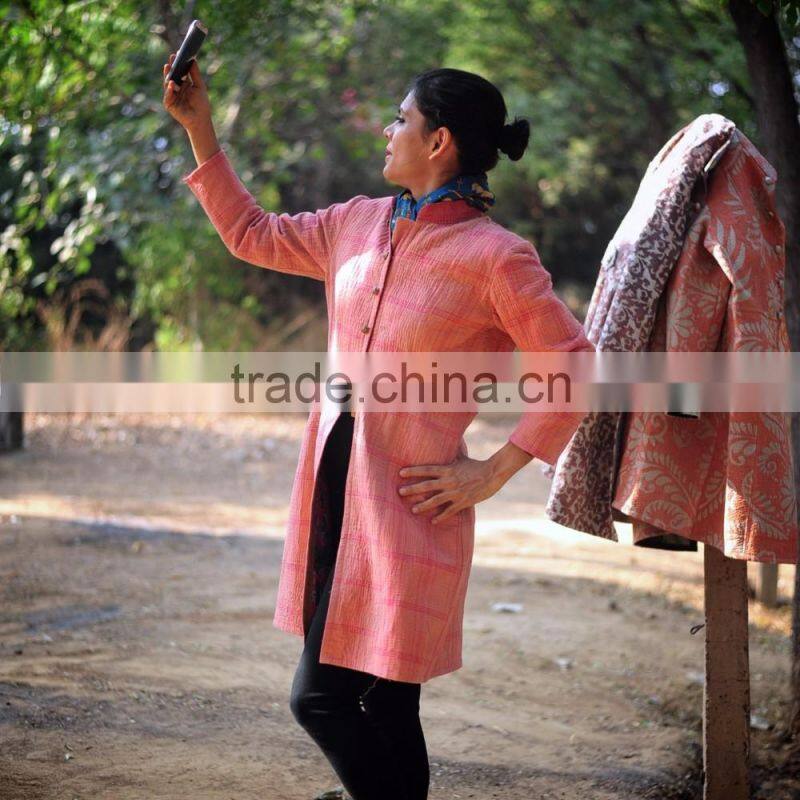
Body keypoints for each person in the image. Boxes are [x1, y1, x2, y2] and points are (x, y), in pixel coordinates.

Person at [163, 54, 594, 800]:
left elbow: (574, 365)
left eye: (401, 118)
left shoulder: (497, 258)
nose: (387, 131)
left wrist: (493, 472)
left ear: (439, 141)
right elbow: (252, 233)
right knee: (388, 704)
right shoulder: (356, 223)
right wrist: (200, 126)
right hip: (335, 490)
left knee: (319, 699)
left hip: (412, 505)